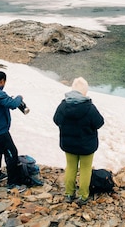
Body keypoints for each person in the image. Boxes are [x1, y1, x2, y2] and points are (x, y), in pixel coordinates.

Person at [53, 77, 104, 205]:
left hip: (69, 144)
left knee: (71, 167)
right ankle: (83, 196)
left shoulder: (63, 105)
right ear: (84, 92)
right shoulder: (89, 107)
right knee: (85, 169)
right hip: (87, 146)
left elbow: (56, 120)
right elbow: (99, 123)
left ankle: (69, 194)